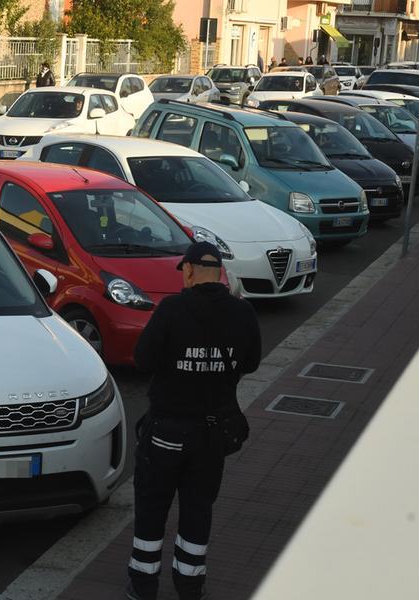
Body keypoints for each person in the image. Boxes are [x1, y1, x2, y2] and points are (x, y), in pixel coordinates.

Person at [125, 241, 262, 600]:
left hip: (167, 431)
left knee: (152, 508)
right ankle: (189, 585)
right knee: (198, 508)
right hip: (213, 433)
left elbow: (142, 359)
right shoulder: (243, 313)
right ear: (219, 272)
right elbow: (250, 363)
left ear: (187, 270)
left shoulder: (172, 308)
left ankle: (143, 587)